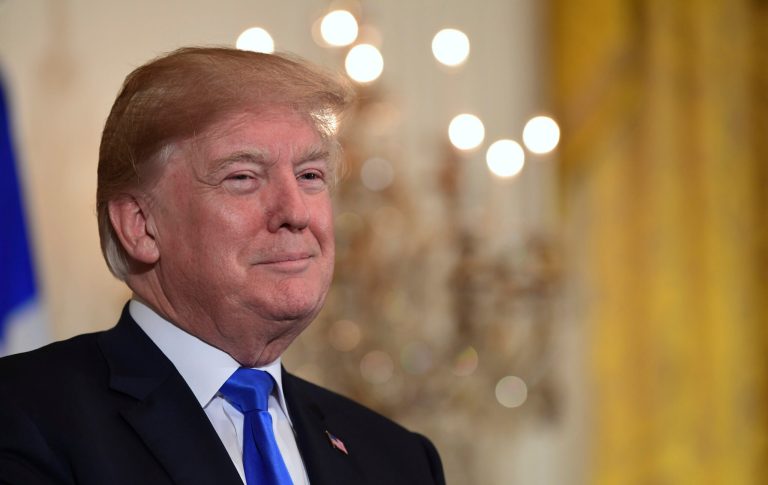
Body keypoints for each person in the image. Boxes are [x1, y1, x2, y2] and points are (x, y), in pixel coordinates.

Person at [0, 47, 445, 485]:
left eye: (310, 175)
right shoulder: (24, 414)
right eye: (243, 178)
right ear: (141, 226)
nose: (296, 212)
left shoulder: (399, 459)